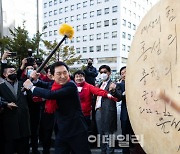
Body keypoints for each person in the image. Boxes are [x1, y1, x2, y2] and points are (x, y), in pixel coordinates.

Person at [23, 61, 91, 154]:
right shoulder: (56, 84)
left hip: (76, 130)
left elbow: (51, 94)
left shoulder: (71, 85)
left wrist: (31, 87)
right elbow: (47, 85)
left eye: (65, 72)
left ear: (68, 73)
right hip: (62, 131)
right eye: (58, 74)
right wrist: (36, 80)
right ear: (52, 76)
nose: (62, 76)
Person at [0, 64, 30, 154]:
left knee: (24, 149)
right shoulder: (1, 86)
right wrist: (5, 104)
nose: (14, 73)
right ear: (5, 74)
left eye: (14, 71)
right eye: (11, 71)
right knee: (9, 148)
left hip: (24, 123)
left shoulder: (23, 84)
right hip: (9, 123)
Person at [95, 65, 121, 154]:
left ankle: (110, 152)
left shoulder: (113, 84)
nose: (103, 74)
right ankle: (103, 152)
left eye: (105, 72)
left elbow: (119, 97)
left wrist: (113, 91)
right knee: (101, 135)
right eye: (101, 72)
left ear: (109, 73)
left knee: (108, 135)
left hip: (108, 112)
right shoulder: (99, 85)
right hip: (98, 112)